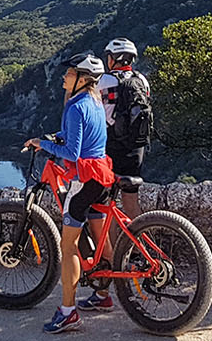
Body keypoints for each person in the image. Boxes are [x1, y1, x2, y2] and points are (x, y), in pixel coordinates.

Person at [25, 52, 114, 334]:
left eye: (70, 73)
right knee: (102, 239)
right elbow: (81, 137)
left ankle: (68, 311)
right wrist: (56, 136)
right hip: (102, 176)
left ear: (83, 79)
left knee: (68, 247)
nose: (65, 77)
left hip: (84, 180)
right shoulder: (95, 102)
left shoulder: (75, 107)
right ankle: (102, 295)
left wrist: (43, 143)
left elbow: (72, 154)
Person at [77, 37, 152, 312]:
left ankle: (103, 289)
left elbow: (94, 115)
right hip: (137, 152)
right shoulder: (142, 80)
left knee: (97, 212)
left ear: (112, 59)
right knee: (130, 206)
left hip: (111, 152)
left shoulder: (105, 82)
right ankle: (140, 254)